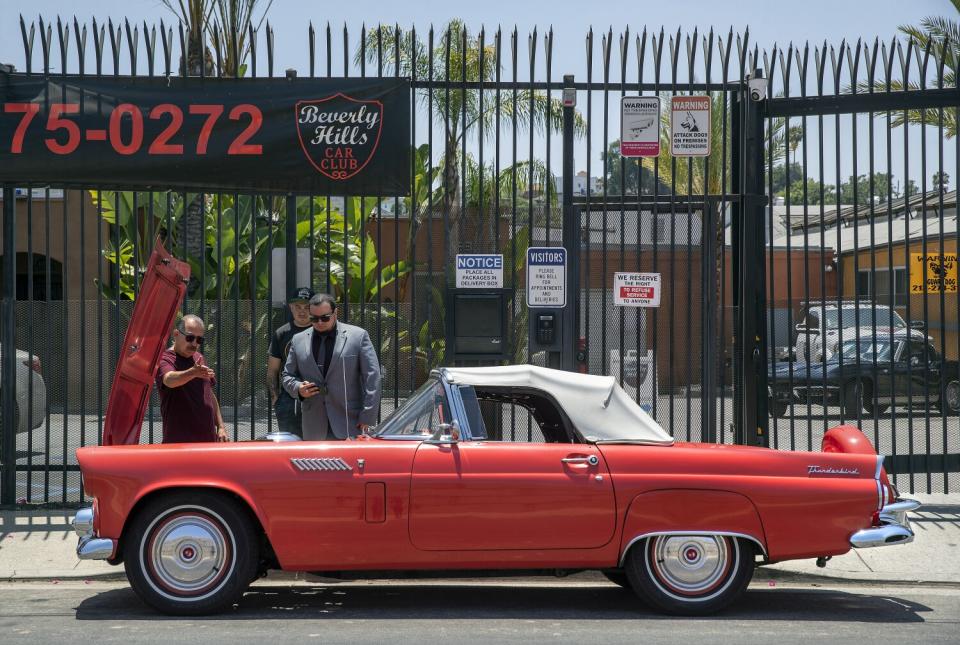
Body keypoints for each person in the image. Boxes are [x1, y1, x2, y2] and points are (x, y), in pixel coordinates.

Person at [281, 293, 382, 440]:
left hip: (350, 422)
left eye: (325, 317)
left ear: (335, 313)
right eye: (314, 318)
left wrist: (367, 416)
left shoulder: (358, 336)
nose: (319, 322)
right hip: (313, 425)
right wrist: (298, 388)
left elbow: (372, 378)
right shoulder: (298, 340)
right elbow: (287, 375)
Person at [155, 314, 228, 444]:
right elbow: (169, 380)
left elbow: (209, 395)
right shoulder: (165, 359)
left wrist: (221, 427)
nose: (194, 343)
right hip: (179, 444)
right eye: (190, 338)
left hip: (207, 441)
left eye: (199, 340)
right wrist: (192, 373)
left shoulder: (198, 357)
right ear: (176, 334)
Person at [267, 286, 314, 437]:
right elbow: (272, 370)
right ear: (291, 307)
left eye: (307, 307)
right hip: (288, 400)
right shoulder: (282, 333)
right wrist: (276, 399)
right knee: (291, 443)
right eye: (297, 306)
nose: (302, 311)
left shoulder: (320, 330)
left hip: (317, 397)